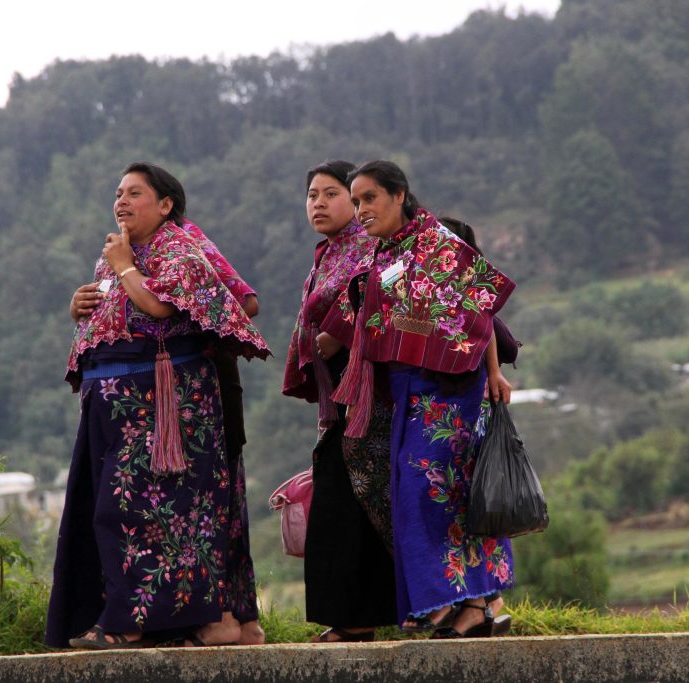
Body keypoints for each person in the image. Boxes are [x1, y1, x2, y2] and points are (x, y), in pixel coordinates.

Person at [46, 162, 270, 650]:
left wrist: (125, 267)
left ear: (166, 205)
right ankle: (156, 621)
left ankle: (130, 623)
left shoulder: (181, 250)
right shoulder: (114, 257)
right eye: (118, 193)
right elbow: (116, 307)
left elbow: (160, 308)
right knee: (113, 510)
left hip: (162, 406)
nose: (121, 202)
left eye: (135, 193)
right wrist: (81, 306)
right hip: (112, 406)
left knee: (137, 512)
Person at [320, 160, 515, 639]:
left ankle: (464, 604)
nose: (362, 209)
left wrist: (491, 371)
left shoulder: (436, 244)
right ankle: (466, 608)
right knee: (431, 497)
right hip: (408, 391)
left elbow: (478, 311)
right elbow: (370, 317)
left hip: (451, 391)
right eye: (358, 200)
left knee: (433, 495)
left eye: (370, 198)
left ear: (399, 195)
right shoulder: (385, 256)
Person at [282, 161, 397, 643]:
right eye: (312, 195)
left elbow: (385, 302)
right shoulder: (327, 254)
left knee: (364, 505)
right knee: (339, 506)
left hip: (376, 397)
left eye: (332, 193)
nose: (319, 203)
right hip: (343, 401)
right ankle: (356, 618)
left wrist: (338, 333)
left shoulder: (370, 249)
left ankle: (363, 620)